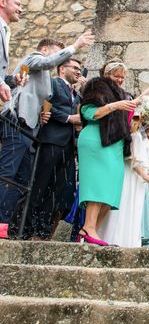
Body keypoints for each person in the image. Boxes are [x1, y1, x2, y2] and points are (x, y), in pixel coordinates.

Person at [0, 34, 93, 234]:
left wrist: (43, 115)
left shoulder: (56, 85)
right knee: (15, 176)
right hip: (25, 126)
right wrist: (75, 45)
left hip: (38, 132)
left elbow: (45, 105)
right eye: (56, 53)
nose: (57, 57)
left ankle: (23, 227)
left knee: (30, 183)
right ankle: (9, 223)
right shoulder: (36, 62)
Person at [22, 58, 82, 240]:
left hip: (68, 146)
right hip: (51, 141)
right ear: (62, 69)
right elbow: (46, 106)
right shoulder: (54, 84)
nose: (79, 72)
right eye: (75, 68)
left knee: (57, 191)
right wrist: (68, 118)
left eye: (81, 69)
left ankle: (43, 231)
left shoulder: (76, 95)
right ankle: (27, 230)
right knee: (40, 185)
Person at [77, 61, 136, 245]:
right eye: (116, 76)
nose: (119, 79)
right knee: (98, 186)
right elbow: (89, 113)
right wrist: (115, 106)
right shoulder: (96, 86)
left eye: (122, 77)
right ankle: (88, 227)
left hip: (114, 145)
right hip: (97, 140)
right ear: (106, 74)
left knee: (111, 191)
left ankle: (91, 230)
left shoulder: (120, 94)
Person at [101, 117, 149, 248]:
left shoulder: (142, 137)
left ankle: (130, 239)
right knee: (126, 203)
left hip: (138, 179)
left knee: (134, 206)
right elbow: (131, 159)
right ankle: (118, 238)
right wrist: (145, 176)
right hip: (131, 175)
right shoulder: (135, 135)